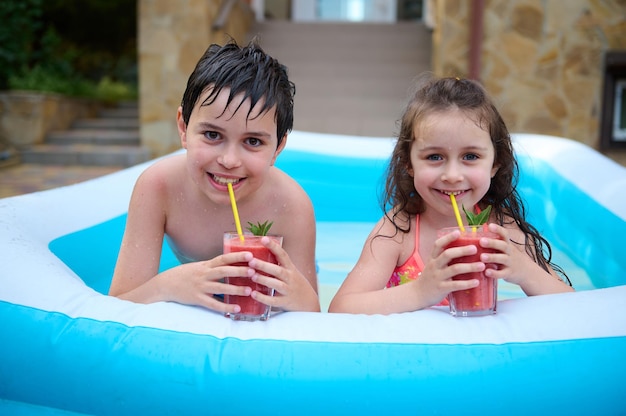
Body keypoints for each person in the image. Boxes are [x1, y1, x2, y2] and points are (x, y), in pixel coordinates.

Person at [328, 76, 573, 315]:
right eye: (434, 157)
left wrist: (524, 271)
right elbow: (341, 308)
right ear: (409, 163)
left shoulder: (500, 229)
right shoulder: (398, 231)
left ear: (495, 163)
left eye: (470, 156)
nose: (453, 175)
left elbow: (573, 303)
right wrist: (420, 292)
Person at [109, 40, 320, 314]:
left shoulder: (291, 205)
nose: (229, 161)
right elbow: (118, 302)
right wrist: (168, 284)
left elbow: (312, 314)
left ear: (278, 147)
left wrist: (300, 296)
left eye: (253, 141)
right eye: (212, 135)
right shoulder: (159, 187)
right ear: (183, 127)